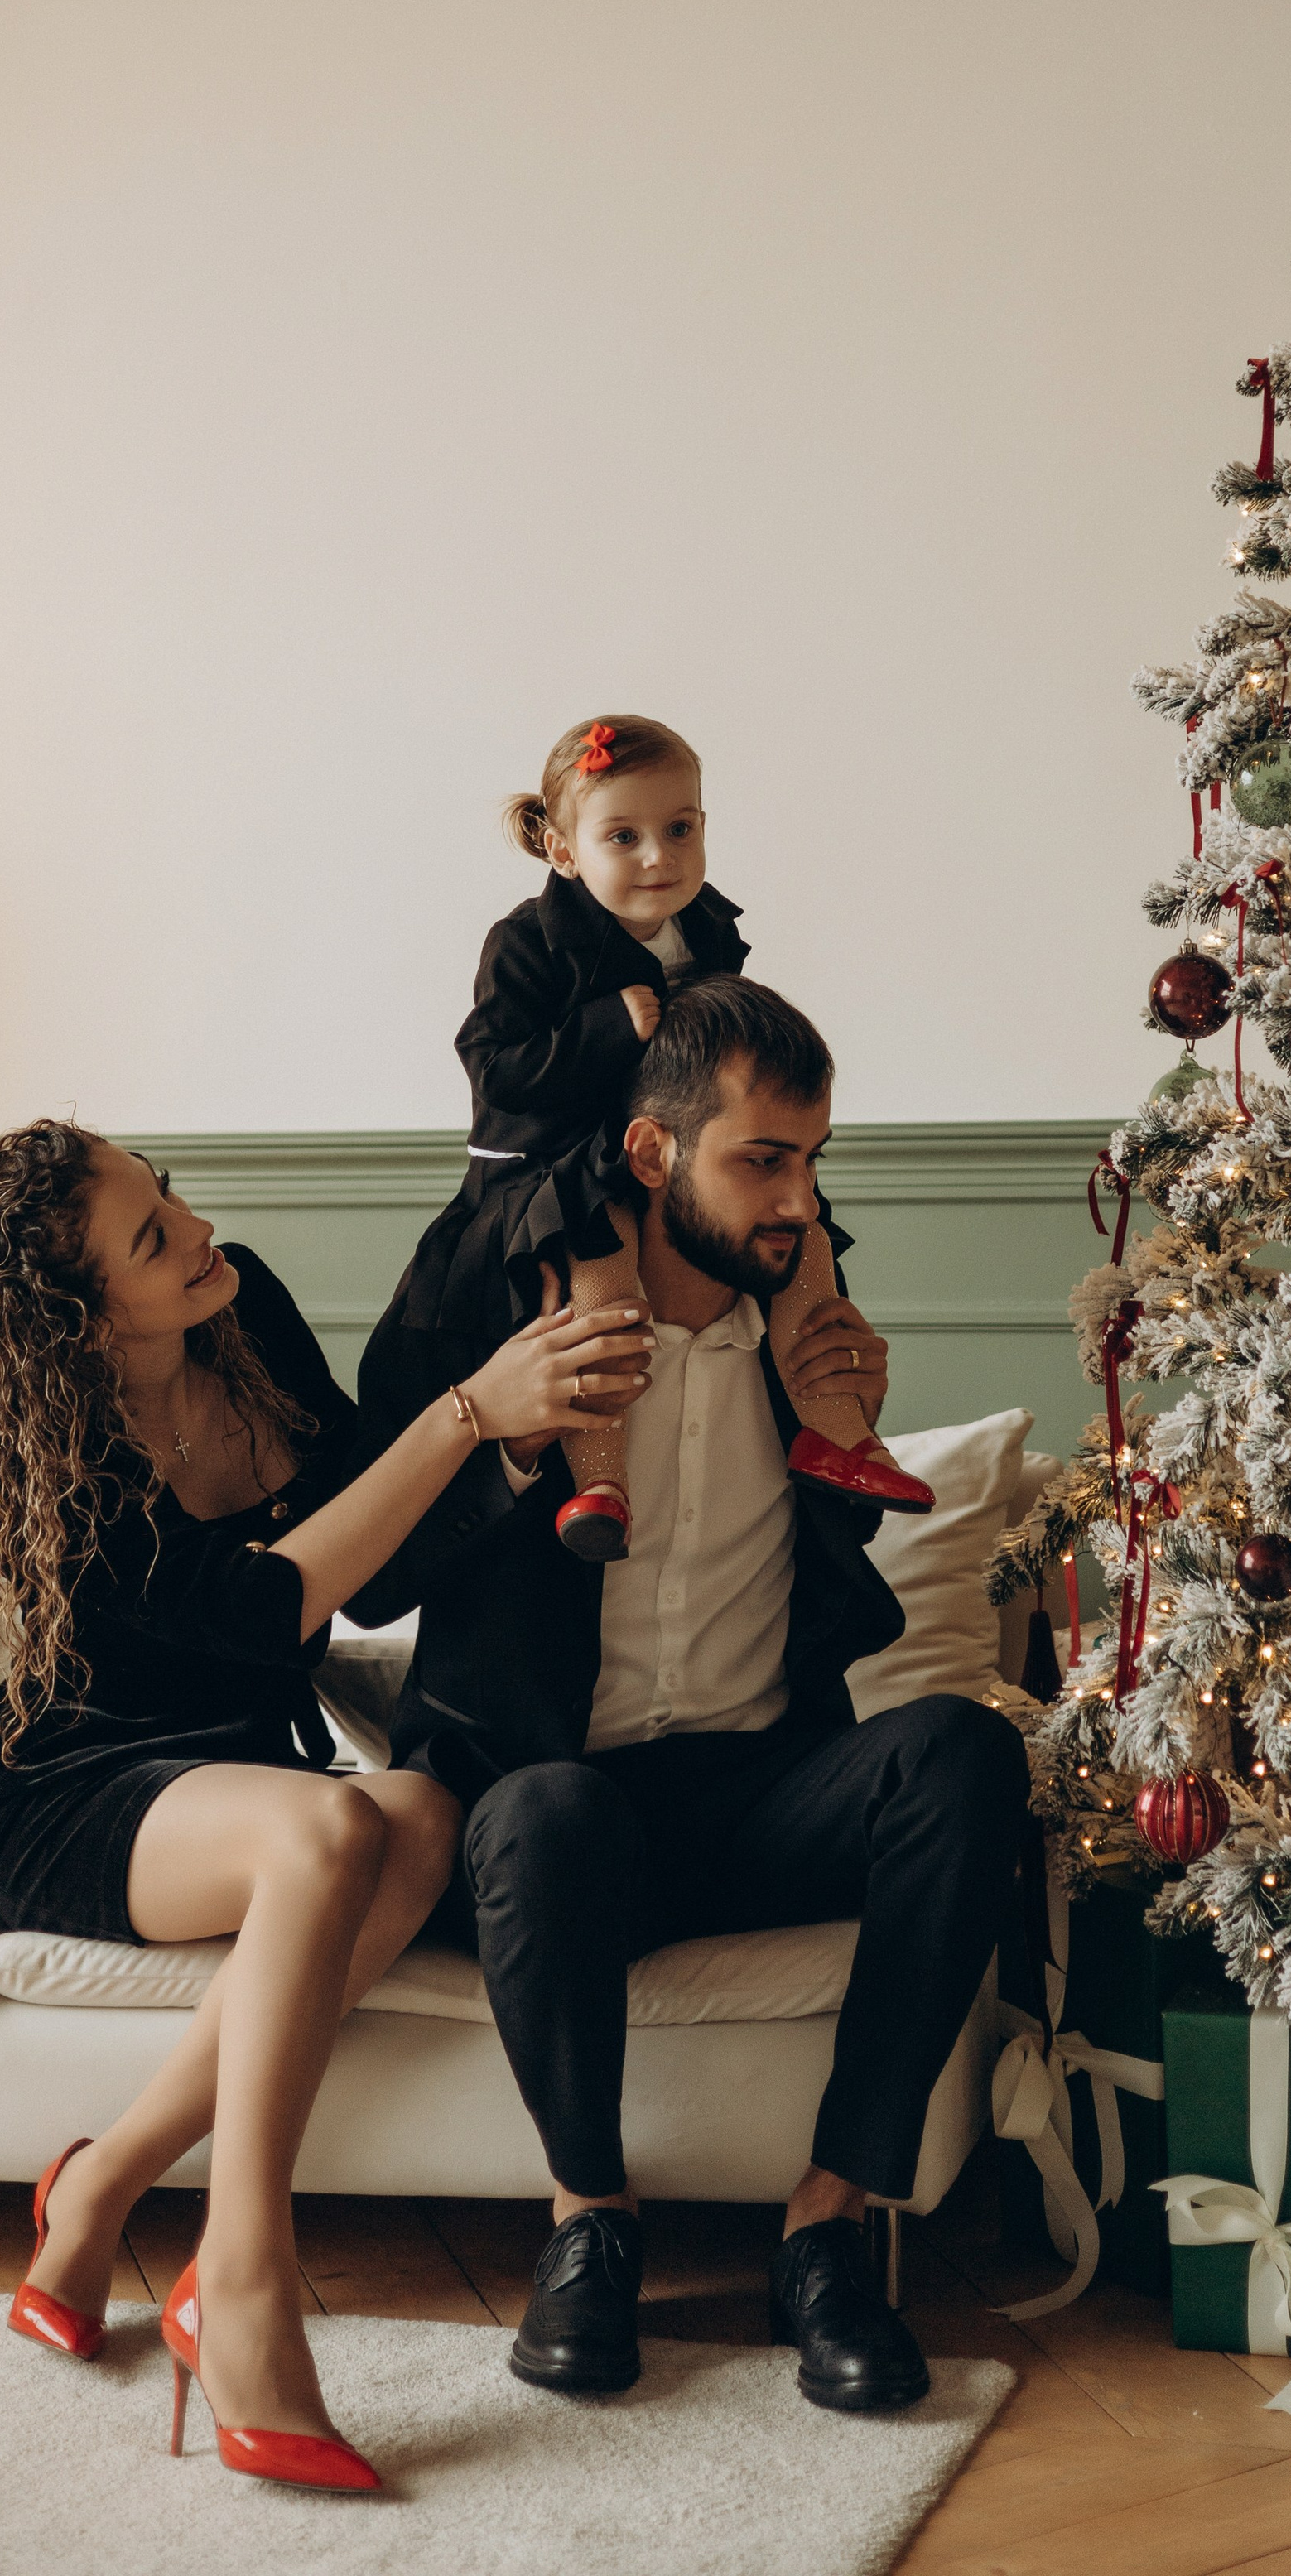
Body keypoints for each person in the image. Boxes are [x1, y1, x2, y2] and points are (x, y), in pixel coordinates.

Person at [0, 1119, 648, 2496]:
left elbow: (375, 1568)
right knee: (334, 1824)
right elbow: (267, 1612)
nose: (197, 1233)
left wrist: (522, 1447)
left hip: (248, 1776)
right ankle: (242, 2274)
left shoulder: (243, 1311)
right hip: (77, 1789)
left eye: (169, 1197)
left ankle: (102, 2183)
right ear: (78, 1316)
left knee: (418, 1813)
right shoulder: (17, 1450)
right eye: (150, 1239)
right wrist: (466, 1411)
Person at [351, 977, 1031, 2413]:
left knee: (966, 1751)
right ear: (656, 1154)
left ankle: (829, 2224)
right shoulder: (494, 1282)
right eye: (764, 1160)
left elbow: (830, 1555)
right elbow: (371, 1576)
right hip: (556, 1812)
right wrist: (510, 1441)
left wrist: (851, 1429)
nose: (800, 1199)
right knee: (541, 1816)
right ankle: (588, 2222)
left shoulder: (801, 1328)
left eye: (813, 1156)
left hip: (757, 1789)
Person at [397, 710, 933, 1563]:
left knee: (811, 1242)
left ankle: (837, 1431)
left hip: (659, 1151)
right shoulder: (531, 944)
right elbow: (492, 1066)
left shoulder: (708, 927)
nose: (660, 856)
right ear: (564, 851)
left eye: (680, 828)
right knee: (600, 1280)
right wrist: (609, 1028)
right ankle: (598, 1475)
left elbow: (723, 1052)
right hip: (551, 1164)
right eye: (625, 836)